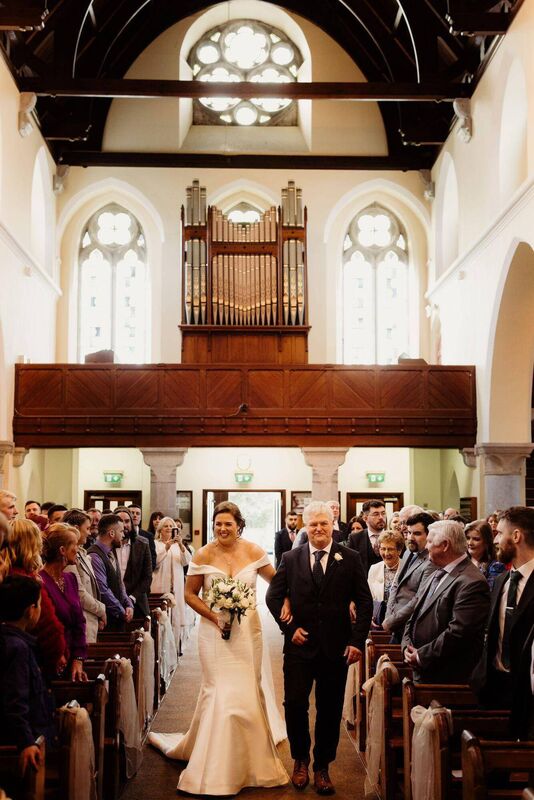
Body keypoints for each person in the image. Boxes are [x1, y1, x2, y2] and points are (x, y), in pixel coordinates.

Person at [149, 501, 289, 796]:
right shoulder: (204, 553)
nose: (222, 529)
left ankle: (249, 762)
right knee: (220, 692)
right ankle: (215, 766)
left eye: (228, 524)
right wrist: (214, 616)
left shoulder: (253, 551)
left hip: (248, 633)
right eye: (218, 524)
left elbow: (277, 584)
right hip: (213, 634)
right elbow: (189, 594)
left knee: (247, 691)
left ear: (239, 525)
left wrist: (286, 602)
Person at [267, 500, 373, 795]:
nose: (318, 529)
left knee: (329, 709)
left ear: (332, 526)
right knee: (296, 705)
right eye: (312, 524)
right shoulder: (291, 557)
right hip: (299, 647)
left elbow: (364, 602)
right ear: (306, 527)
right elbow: (273, 598)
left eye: (323, 523)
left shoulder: (349, 558)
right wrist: (289, 629)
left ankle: (323, 767)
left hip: (336, 648)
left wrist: (356, 641)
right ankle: (300, 760)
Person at [402, 520, 490, 683]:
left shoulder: (471, 581)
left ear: (445, 545)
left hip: (446, 675)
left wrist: (421, 655)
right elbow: (416, 614)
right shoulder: (437, 570)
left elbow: (459, 632)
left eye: (429, 542)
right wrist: (406, 647)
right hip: (424, 669)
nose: (426, 547)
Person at [476, 506, 534, 717]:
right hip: (495, 688)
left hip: (527, 691)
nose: (494, 541)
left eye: (499, 533)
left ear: (516, 536)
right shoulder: (502, 580)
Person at [0, 575, 56, 778]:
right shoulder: (19, 648)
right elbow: (16, 699)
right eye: (39, 605)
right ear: (30, 611)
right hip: (28, 738)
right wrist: (26, 742)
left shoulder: (12, 641)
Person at [5, 519, 67, 679]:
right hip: (29, 661)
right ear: (32, 544)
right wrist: (58, 653)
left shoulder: (6, 573)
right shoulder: (25, 581)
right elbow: (48, 628)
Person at [40, 524, 88, 681]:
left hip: (73, 660)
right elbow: (45, 626)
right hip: (51, 660)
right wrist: (58, 653)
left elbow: (80, 622)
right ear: (62, 550)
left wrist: (78, 658)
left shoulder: (70, 578)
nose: (78, 549)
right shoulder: (40, 582)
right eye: (74, 545)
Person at [382, 511, 437, 643]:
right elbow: (396, 584)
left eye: (417, 533)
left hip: (412, 628)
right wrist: (389, 616)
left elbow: (419, 599)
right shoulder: (408, 553)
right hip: (395, 624)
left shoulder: (431, 561)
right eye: (409, 532)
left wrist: (393, 620)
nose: (410, 538)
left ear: (429, 535)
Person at [63, 508, 107, 643]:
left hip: (90, 619)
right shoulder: (69, 556)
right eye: (87, 528)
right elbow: (79, 593)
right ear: (76, 528)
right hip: (80, 621)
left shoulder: (82, 553)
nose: (89, 533)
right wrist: (101, 609)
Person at [151, 516, 193, 653]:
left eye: (171, 526)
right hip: (160, 585)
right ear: (160, 530)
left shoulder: (178, 546)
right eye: (166, 526)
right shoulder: (155, 544)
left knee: (175, 620)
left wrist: (180, 545)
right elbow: (155, 562)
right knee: (163, 619)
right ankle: (161, 650)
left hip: (177, 587)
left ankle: (174, 651)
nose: (169, 528)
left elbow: (187, 562)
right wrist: (166, 548)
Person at [88, 513, 134, 630]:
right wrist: (121, 610)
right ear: (112, 533)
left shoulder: (110, 552)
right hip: (107, 620)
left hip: (117, 617)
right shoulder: (95, 556)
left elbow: (119, 583)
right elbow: (102, 590)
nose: (123, 535)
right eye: (121, 531)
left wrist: (128, 604)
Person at [115, 507, 152, 618]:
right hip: (112, 603)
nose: (124, 526)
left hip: (137, 603)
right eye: (120, 522)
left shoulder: (143, 544)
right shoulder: (108, 545)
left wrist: (131, 598)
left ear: (131, 523)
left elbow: (147, 577)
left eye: (127, 521)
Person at [367, 531, 404, 627]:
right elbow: (369, 598)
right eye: (383, 549)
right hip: (378, 622)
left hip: (400, 623)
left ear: (399, 550)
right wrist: (370, 615)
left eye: (390, 549)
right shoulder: (374, 569)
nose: (386, 553)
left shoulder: (407, 569)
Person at [346, 499, 386, 573]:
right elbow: (348, 566)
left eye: (383, 513)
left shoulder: (395, 537)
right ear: (365, 518)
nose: (381, 517)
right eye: (376, 514)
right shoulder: (355, 539)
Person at [465, 518, 506, 589]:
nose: (470, 543)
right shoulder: (462, 560)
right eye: (468, 538)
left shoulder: (496, 566)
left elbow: (490, 593)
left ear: (487, 542)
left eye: (476, 539)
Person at [128, 503, 157, 571]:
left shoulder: (148, 536)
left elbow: (152, 559)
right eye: (132, 513)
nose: (135, 515)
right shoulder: (122, 534)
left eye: (138, 513)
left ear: (140, 518)